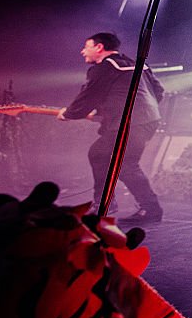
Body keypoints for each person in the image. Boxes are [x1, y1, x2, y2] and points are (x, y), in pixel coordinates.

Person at [57, 32, 165, 224]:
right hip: (146, 120)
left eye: (86, 46)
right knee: (101, 154)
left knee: (123, 164)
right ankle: (107, 203)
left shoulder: (105, 67)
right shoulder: (136, 64)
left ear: (99, 47)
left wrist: (68, 114)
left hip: (130, 122)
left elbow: (89, 96)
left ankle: (122, 206)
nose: (83, 51)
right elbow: (158, 91)